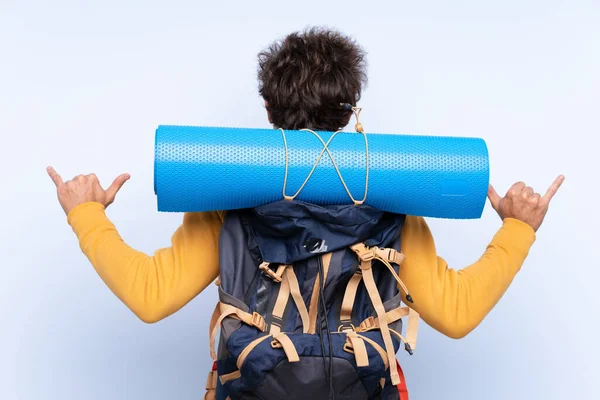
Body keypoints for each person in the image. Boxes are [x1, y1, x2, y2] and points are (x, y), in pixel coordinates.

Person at [47, 27, 563, 393]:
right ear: (350, 111)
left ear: (269, 110)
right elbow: (457, 312)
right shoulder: (394, 202)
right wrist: (517, 229)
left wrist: (87, 214)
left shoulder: (227, 199)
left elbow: (150, 295)